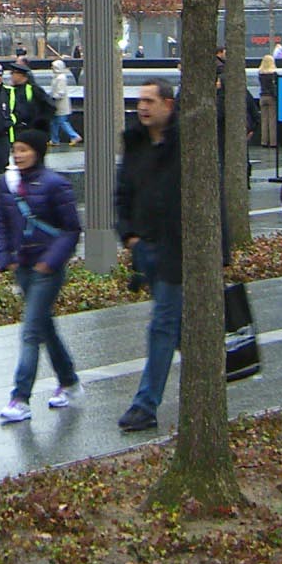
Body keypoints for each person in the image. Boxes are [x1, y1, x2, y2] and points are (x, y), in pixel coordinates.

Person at [0, 129, 81, 424]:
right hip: (24, 267)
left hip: (47, 269)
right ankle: (69, 382)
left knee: (31, 331)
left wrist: (51, 261)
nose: (18, 155)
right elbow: (2, 223)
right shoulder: (8, 184)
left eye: (24, 150)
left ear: (38, 152)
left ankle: (20, 398)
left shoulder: (56, 184)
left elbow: (71, 229)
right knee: (44, 327)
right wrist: (6, 258)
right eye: (15, 150)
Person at [114, 78, 182, 431]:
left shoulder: (185, 146)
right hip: (147, 250)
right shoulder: (136, 144)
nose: (142, 107)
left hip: (178, 253)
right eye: (139, 100)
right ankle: (220, 376)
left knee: (162, 325)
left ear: (167, 106)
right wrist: (130, 238)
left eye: (150, 101)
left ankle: (145, 404)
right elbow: (123, 193)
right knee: (177, 328)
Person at [47, 58, 81, 146]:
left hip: (60, 104)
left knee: (62, 121)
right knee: (54, 122)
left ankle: (74, 136)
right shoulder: (58, 77)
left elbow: (60, 92)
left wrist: (53, 97)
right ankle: (54, 139)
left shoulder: (61, 78)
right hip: (57, 104)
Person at [256, 54, 279, 147]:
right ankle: (273, 142)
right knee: (272, 120)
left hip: (262, 97)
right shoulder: (274, 74)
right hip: (271, 98)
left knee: (264, 120)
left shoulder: (260, 74)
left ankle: (264, 142)